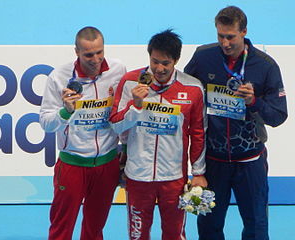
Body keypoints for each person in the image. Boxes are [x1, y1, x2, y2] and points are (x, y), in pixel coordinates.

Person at [184, 6, 288, 240]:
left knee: (256, 226)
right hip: (213, 161)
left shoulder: (265, 66)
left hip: (250, 160)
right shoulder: (203, 57)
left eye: (230, 36)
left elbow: (279, 116)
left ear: (244, 32)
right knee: (209, 226)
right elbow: (185, 95)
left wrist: (254, 101)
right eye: (220, 36)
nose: (225, 43)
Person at [109, 29, 208, 240]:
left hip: (173, 178)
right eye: (155, 61)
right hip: (137, 175)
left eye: (166, 63)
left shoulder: (193, 88)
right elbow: (115, 126)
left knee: (174, 234)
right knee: (138, 235)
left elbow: (198, 132)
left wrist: (198, 172)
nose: (159, 68)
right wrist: (134, 106)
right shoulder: (130, 82)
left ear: (176, 60)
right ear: (149, 56)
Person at [39, 26, 126, 240]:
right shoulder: (58, 77)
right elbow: (46, 123)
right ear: (76, 51)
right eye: (88, 54)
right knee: (61, 228)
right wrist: (65, 112)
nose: (95, 59)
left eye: (99, 52)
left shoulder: (118, 70)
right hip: (72, 164)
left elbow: (122, 113)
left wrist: (125, 150)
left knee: (95, 229)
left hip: (107, 164)